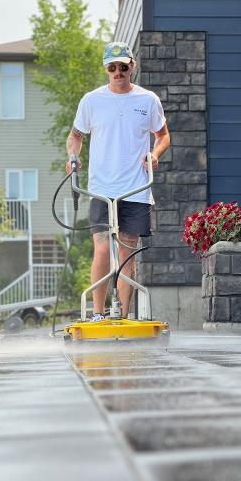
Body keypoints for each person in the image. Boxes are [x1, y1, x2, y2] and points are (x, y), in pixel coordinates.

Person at [65, 41, 170, 321]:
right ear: (106, 69)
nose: (118, 71)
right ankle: (97, 313)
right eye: (112, 67)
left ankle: (122, 315)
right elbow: (75, 136)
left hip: (135, 189)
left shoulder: (148, 100)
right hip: (101, 189)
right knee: (101, 248)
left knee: (126, 253)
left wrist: (154, 154)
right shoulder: (91, 101)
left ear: (132, 66)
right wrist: (74, 158)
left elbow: (163, 135)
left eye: (123, 66)